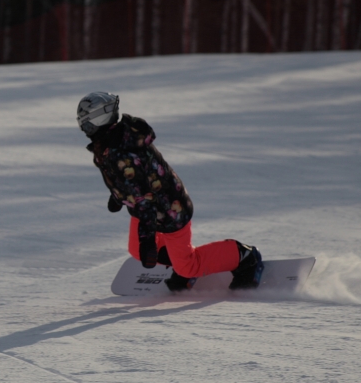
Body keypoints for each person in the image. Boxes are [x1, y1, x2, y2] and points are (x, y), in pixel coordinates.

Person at [77, 92, 263, 291]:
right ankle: (177, 262)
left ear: (100, 119)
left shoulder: (122, 152)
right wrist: (118, 196)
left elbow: (143, 196)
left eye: (87, 124)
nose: (85, 130)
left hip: (170, 209)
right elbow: (133, 180)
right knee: (136, 250)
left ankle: (244, 256)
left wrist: (148, 240)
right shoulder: (110, 143)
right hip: (145, 208)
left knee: (188, 266)